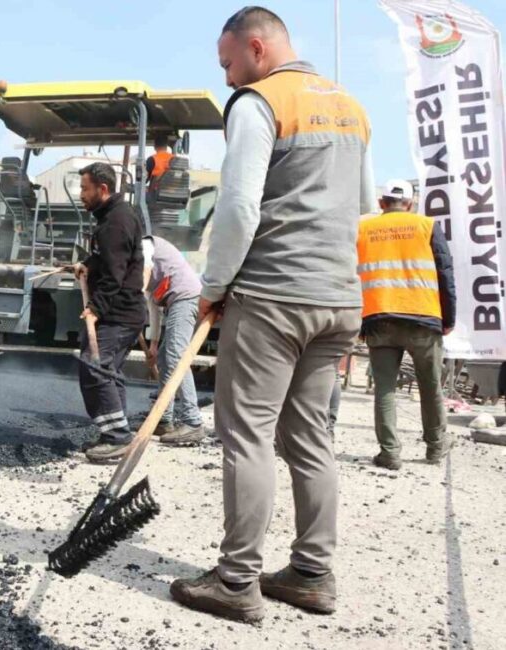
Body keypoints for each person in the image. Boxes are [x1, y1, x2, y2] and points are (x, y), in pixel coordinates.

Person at [170, 7, 374, 623]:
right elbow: (363, 210)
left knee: (248, 432)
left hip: (274, 296)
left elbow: (238, 208)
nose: (227, 77)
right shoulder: (351, 107)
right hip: (338, 300)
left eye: (228, 62)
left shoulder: (259, 102)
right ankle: (312, 574)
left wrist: (213, 287)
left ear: (256, 49)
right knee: (310, 436)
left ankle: (236, 581)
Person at [359, 179, 456, 470]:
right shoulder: (427, 226)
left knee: (384, 390)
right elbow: (445, 272)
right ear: (411, 204)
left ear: (382, 203)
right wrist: (449, 317)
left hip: (378, 318)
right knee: (430, 386)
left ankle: (389, 452)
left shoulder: (363, 228)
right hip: (423, 318)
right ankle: (435, 447)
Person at [73, 162, 148, 464]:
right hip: (123, 313)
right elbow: (107, 258)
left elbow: (114, 275)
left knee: (95, 367)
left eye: (85, 188)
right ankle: (116, 432)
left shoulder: (116, 222)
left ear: (102, 189)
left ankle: (117, 437)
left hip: (119, 313)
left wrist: (95, 308)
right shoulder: (112, 217)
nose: (81, 194)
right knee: (109, 372)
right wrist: (87, 264)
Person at [144, 235, 205, 445]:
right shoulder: (143, 269)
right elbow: (153, 306)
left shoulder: (144, 246)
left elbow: (142, 283)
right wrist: (153, 345)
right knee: (163, 358)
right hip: (175, 301)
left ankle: (193, 421)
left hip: (186, 297)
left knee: (177, 356)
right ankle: (164, 419)